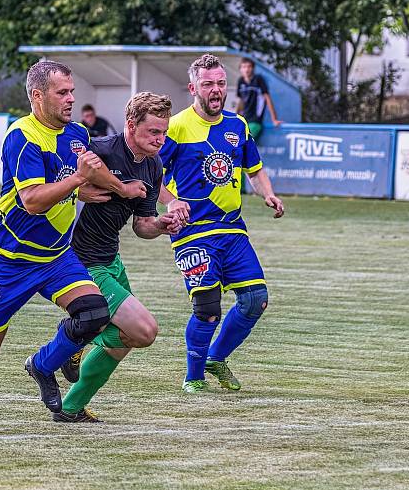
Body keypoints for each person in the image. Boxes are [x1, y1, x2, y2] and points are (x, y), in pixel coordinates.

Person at [0, 60, 146, 432]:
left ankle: (43, 365)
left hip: (55, 257)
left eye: (71, 92)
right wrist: (80, 180)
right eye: (62, 93)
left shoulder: (77, 134)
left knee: (94, 313)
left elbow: (76, 179)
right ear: (38, 96)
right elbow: (33, 199)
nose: (71, 99)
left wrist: (116, 189)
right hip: (8, 260)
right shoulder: (22, 136)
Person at [158, 54, 285, 393]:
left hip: (232, 228)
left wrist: (268, 194)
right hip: (193, 231)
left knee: (255, 299)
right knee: (207, 308)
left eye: (220, 83)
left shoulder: (237, 125)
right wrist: (171, 201)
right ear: (192, 88)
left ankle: (216, 357)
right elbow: (150, 172)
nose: (216, 90)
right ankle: (194, 376)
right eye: (207, 84)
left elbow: (254, 169)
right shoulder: (176, 126)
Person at [54, 91, 183, 422]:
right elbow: (60, 178)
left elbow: (141, 226)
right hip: (81, 261)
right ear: (130, 125)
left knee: (126, 339)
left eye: (164, 132)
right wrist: (79, 187)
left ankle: (70, 408)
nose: (160, 139)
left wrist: (161, 224)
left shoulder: (153, 167)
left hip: (111, 259)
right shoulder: (101, 150)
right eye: (154, 132)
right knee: (145, 330)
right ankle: (74, 337)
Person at [235, 57, 282, 141]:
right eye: (244, 67)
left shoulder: (258, 79)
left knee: (244, 141)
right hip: (243, 120)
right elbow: (241, 101)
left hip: (255, 121)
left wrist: (274, 119)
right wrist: (235, 117)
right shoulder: (240, 81)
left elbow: (267, 98)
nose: (246, 69)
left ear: (253, 68)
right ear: (240, 69)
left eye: (249, 66)